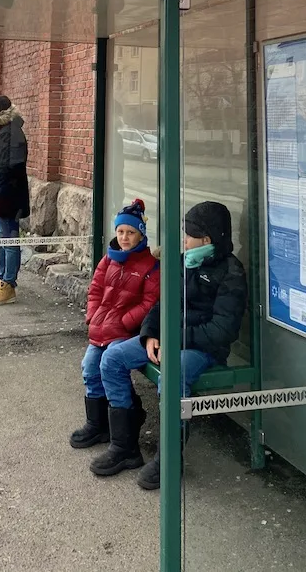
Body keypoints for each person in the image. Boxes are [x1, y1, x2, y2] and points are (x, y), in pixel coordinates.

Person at [89, 200, 247, 488]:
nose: (183, 240)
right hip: (167, 339)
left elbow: (221, 330)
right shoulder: (183, 261)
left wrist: (172, 339)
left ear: (206, 239)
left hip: (202, 350)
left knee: (173, 375)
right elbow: (161, 305)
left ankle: (169, 460)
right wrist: (150, 334)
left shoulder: (231, 272)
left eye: (188, 234)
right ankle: (125, 447)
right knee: (112, 358)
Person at [69, 199, 159, 452]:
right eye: (120, 232)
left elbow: (150, 302)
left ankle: (126, 427)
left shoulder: (150, 265)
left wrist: (122, 321)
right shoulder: (108, 260)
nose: (124, 237)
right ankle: (97, 424)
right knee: (90, 368)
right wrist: (93, 316)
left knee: (109, 366)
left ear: (141, 233)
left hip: (124, 333)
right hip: (101, 328)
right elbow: (95, 290)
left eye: (131, 232)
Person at [0, 95, 30, 306]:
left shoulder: (10, 135)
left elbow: (8, 168)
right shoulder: (6, 133)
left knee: (9, 240)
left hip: (7, 196)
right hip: (4, 194)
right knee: (3, 237)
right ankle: (2, 278)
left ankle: (8, 284)